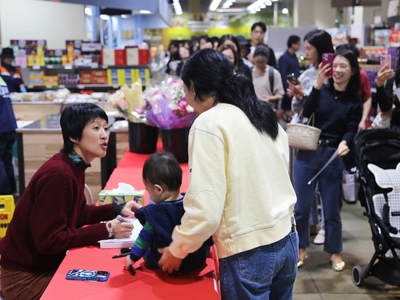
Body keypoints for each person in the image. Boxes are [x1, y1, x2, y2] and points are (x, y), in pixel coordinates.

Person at [158, 49, 298, 300]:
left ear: (192, 86)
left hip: (248, 251)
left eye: (185, 89)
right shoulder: (261, 113)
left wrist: (177, 249)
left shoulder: (209, 123)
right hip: (287, 239)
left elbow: (206, 207)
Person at [0, 103, 137, 300]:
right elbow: (50, 241)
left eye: (106, 128)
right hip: (24, 278)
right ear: (73, 136)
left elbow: (78, 213)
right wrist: (106, 229)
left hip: (41, 267)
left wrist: (116, 208)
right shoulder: (60, 174)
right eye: (96, 128)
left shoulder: (72, 165)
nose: (104, 135)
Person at [293, 49, 362, 272]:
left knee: (332, 209)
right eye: (337, 65)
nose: (339, 70)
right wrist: (317, 85)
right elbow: (306, 113)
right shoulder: (321, 91)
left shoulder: (354, 102)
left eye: (344, 66)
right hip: (308, 152)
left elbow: (351, 129)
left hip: (332, 155)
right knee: (302, 208)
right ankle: (301, 249)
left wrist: (345, 143)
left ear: (352, 70)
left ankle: (335, 252)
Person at [125, 152, 212, 273]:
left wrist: (132, 257)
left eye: (148, 190)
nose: (149, 194)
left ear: (158, 189)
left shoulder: (154, 213)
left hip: (164, 261)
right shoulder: (193, 205)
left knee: (148, 253)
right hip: (196, 261)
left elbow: (143, 240)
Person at [288, 30, 334, 243]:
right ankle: (309, 231)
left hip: (330, 137)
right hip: (307, 137)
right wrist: (298, 96)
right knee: (305, 190)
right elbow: (300, 110)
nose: (305, 53)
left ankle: (326, 228)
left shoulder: (335, 74)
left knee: (330, 191)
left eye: (309, 48)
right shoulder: (306, 75)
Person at [252, 45, 284, 110]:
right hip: (252, 110)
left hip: (268, 110)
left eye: (263, 62)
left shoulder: (274, 73)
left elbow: (280, 94)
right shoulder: (248, 72)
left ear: (267, 60)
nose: (260, 64)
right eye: (258, 62)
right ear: (254, 58)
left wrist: (269, 98)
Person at [0, 75, 17, 195]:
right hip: (10, 125)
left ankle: (3, 193)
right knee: (7, 159)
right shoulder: (1, 79)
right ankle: (12, 190)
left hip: (1, 126)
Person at [375, 57, 400, 132]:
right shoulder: (394, 81)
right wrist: (379, 85)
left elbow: (388, 111)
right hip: (394, 132)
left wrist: (393, 112)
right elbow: (385, 108)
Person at [278, 35, 301, 112]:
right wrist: (287, 89)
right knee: (285, 110)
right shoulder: (284, 58)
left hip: (295, 88)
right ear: (292, 44)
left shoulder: (294, 57)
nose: (299, 46)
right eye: (298, 44)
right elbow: (282, 74)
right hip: (288, 89)